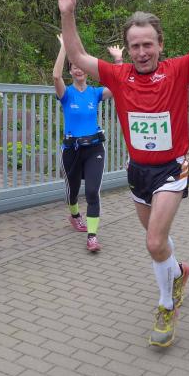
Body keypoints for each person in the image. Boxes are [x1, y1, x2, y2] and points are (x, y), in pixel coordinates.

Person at [56, 0, 189, 347]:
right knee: (158, 242)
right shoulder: (118, 77)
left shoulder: (179, 70)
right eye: (134, 45)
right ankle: (178, 272)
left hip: (171, 170)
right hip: (138, 171)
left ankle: (167, 307)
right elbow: (78, 55)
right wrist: (68, 14)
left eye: (147, 44)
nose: (140, 51)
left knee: (153, 242)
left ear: (160, 44)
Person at [52, 34, 122, 252]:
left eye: (81, 66)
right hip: (71, 150)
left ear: (86, 70)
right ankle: (74, 215)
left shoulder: (95, 93)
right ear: (71, 71)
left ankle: (92, 237)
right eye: (74, 67)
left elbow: (118, 86)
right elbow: (55, 76)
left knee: (92, 192)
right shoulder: (66, 94)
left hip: (94, 149)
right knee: (72, 191)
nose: (78, 70)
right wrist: (64, 48)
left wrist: (118, 60)